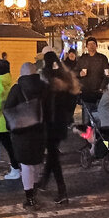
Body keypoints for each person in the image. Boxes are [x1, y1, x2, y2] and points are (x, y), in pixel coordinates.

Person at [4, 61, 47, 209]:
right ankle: (35, 190)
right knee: (37, 162)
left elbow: (8, 109)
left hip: (22, 132)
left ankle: (30, 198)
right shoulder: (43, 87)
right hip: (40, 130)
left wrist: (11, 127)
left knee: (26, 165)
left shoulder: (17, 89)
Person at [39, 50, 78, 204]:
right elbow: (72, 100)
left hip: (50, 123)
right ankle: (43, 182)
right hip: (61, 122)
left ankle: (63, 192)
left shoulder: (46, 78)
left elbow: (43, 103)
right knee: (52, 153)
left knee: (53, 157)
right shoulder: (66, 78)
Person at [75, 37, 109, 122]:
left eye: (93, 44)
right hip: (86, 91)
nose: (91, 46)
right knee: (86, 116)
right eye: (89, 44)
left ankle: (98, 133)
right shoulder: (83, 59)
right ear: (86, 46)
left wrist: (102, 87)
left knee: (98, 115)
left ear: (96, 46)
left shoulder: (102, 58)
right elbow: (74, 72)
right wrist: (79, 73)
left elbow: (107, 74)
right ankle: (88, 132)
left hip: (98, 91)